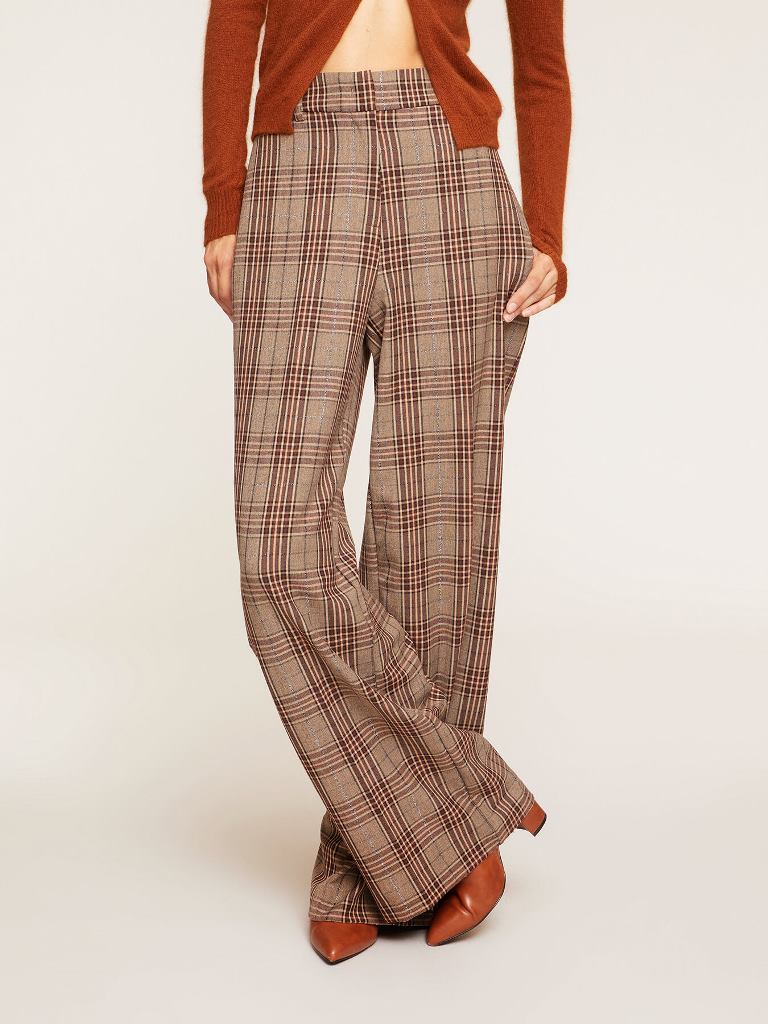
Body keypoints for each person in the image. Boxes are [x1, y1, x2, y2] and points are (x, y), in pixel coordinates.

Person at [202, 0, 571, 964]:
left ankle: (364, 864)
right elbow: (236, 17)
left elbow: (540, 60)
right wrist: (224, 202)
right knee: (278, 546)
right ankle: (468, 816)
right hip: (298, 164)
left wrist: (546, 226)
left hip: (449, 168)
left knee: (432, 538)